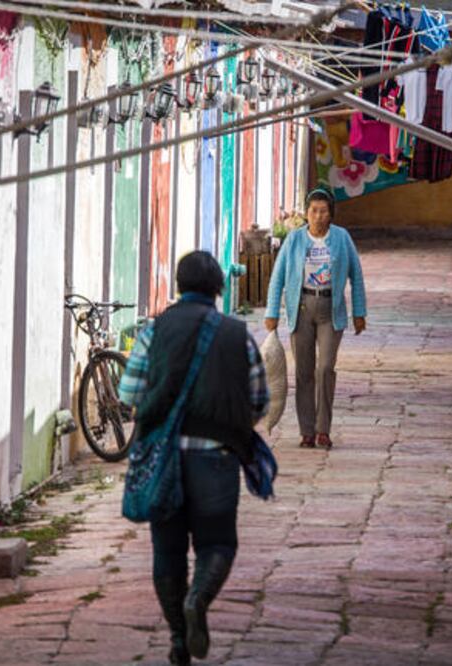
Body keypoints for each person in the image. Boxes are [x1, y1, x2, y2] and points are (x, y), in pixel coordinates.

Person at [118, 251, 269, 666]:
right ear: (219, 288)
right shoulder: (237, 335)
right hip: (216, 460)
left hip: (164, 458)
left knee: (167, 551)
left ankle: (179, 639)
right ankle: (198, 599)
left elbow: (128, 393)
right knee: (217, 542)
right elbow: (259, 400)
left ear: (180, 286)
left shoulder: (154, 331)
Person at [265, 188, 367, 449]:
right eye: (313, 211)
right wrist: (272, 312)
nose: (318, 216)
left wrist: (359, 313)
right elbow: (278, 277)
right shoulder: (294, 240)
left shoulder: (342, 238)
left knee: (325, 368)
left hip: (330, 309)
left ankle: (324, 429)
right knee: (303, 371)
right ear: (306, 214)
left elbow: (356, 275)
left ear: (331, 214)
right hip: (301, 308)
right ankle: (307, 431)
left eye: (323, 211)